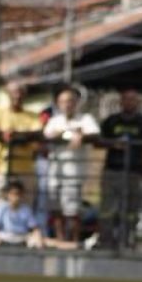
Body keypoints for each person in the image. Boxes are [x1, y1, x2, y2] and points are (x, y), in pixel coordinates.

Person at [97, 88, 142, 251]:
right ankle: (106, 242)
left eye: (133, 100)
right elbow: (98, 140)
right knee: (107, 209)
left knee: (130, 210)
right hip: (112, 170)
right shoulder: (111, 120)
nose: (130, 102)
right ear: (121, 102)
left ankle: (126, 241)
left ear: (137, 103)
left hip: (134, 172)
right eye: (127, 99)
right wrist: (113, 144)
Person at [43, 86, 100, 245]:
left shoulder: (85, 119)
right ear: (58, 104)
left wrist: (81, 134)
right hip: (55, 172)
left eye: (70, 101)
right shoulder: (55, 120)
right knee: (56, 209)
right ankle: (61, 241)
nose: (67, 105)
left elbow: (95, 134)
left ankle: (73, 241)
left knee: (73, 211)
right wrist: (66, 133)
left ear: (76, 102)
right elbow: (47, 135)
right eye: (63, 101)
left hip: (74, 173)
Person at [0, 81, 44, 207]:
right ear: (8, 94)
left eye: (21, 93)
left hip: (26, 170)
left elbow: (38, 133)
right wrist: (3, 134)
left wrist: (15, 135)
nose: (18, 96)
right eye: (14, 93)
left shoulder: (33, 115)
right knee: (2, 209)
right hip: (2, 170)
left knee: (25, 211)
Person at [0, 180, 45, 248]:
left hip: (22, 238)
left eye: (18, 194)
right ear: (8, 194)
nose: (16, 197)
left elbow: (35, 229)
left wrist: (38, 238)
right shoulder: (2, 208)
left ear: (22, 195)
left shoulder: (26, 209)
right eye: (13, 194)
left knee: (38, 241)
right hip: (4, 238)